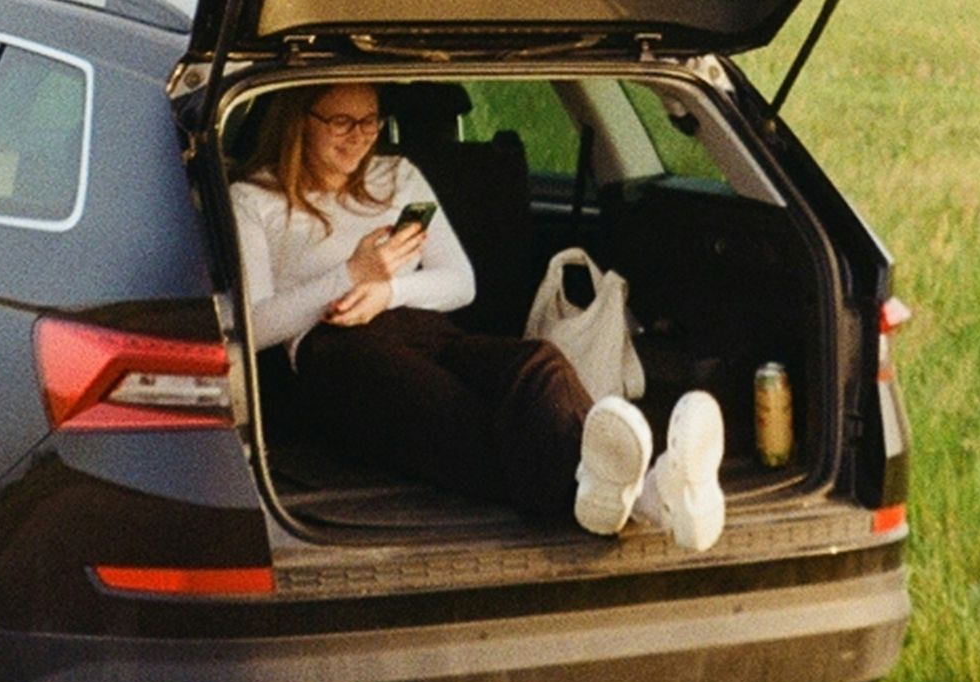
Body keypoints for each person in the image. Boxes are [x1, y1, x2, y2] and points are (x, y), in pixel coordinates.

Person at [230, 82, 726, 550]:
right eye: (341, 121)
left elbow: (460, 281)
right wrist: (349, 275)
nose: (360, 135)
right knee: (455, 412)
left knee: (539, 364)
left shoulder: (397, 176)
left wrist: (389, 290)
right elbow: (254, 326)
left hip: (421, 322)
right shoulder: (254, 200)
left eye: (371, 121)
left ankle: (623, 493)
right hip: (333, 349)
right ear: (300, 121)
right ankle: (652, 494)